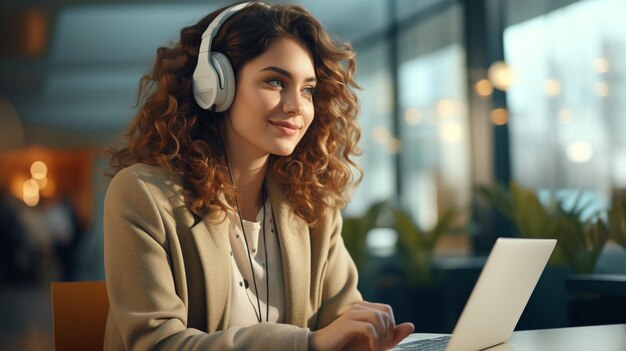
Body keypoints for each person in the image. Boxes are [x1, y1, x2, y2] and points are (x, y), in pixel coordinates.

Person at [104, 1, 413, 350]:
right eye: (276, 81)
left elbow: (341, 317)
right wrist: (307, 344)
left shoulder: (311, 205)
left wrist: (364, 333)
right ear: (215, 87)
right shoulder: (143, 196)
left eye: (308, 89)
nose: (297, 105)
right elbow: (157, 344)